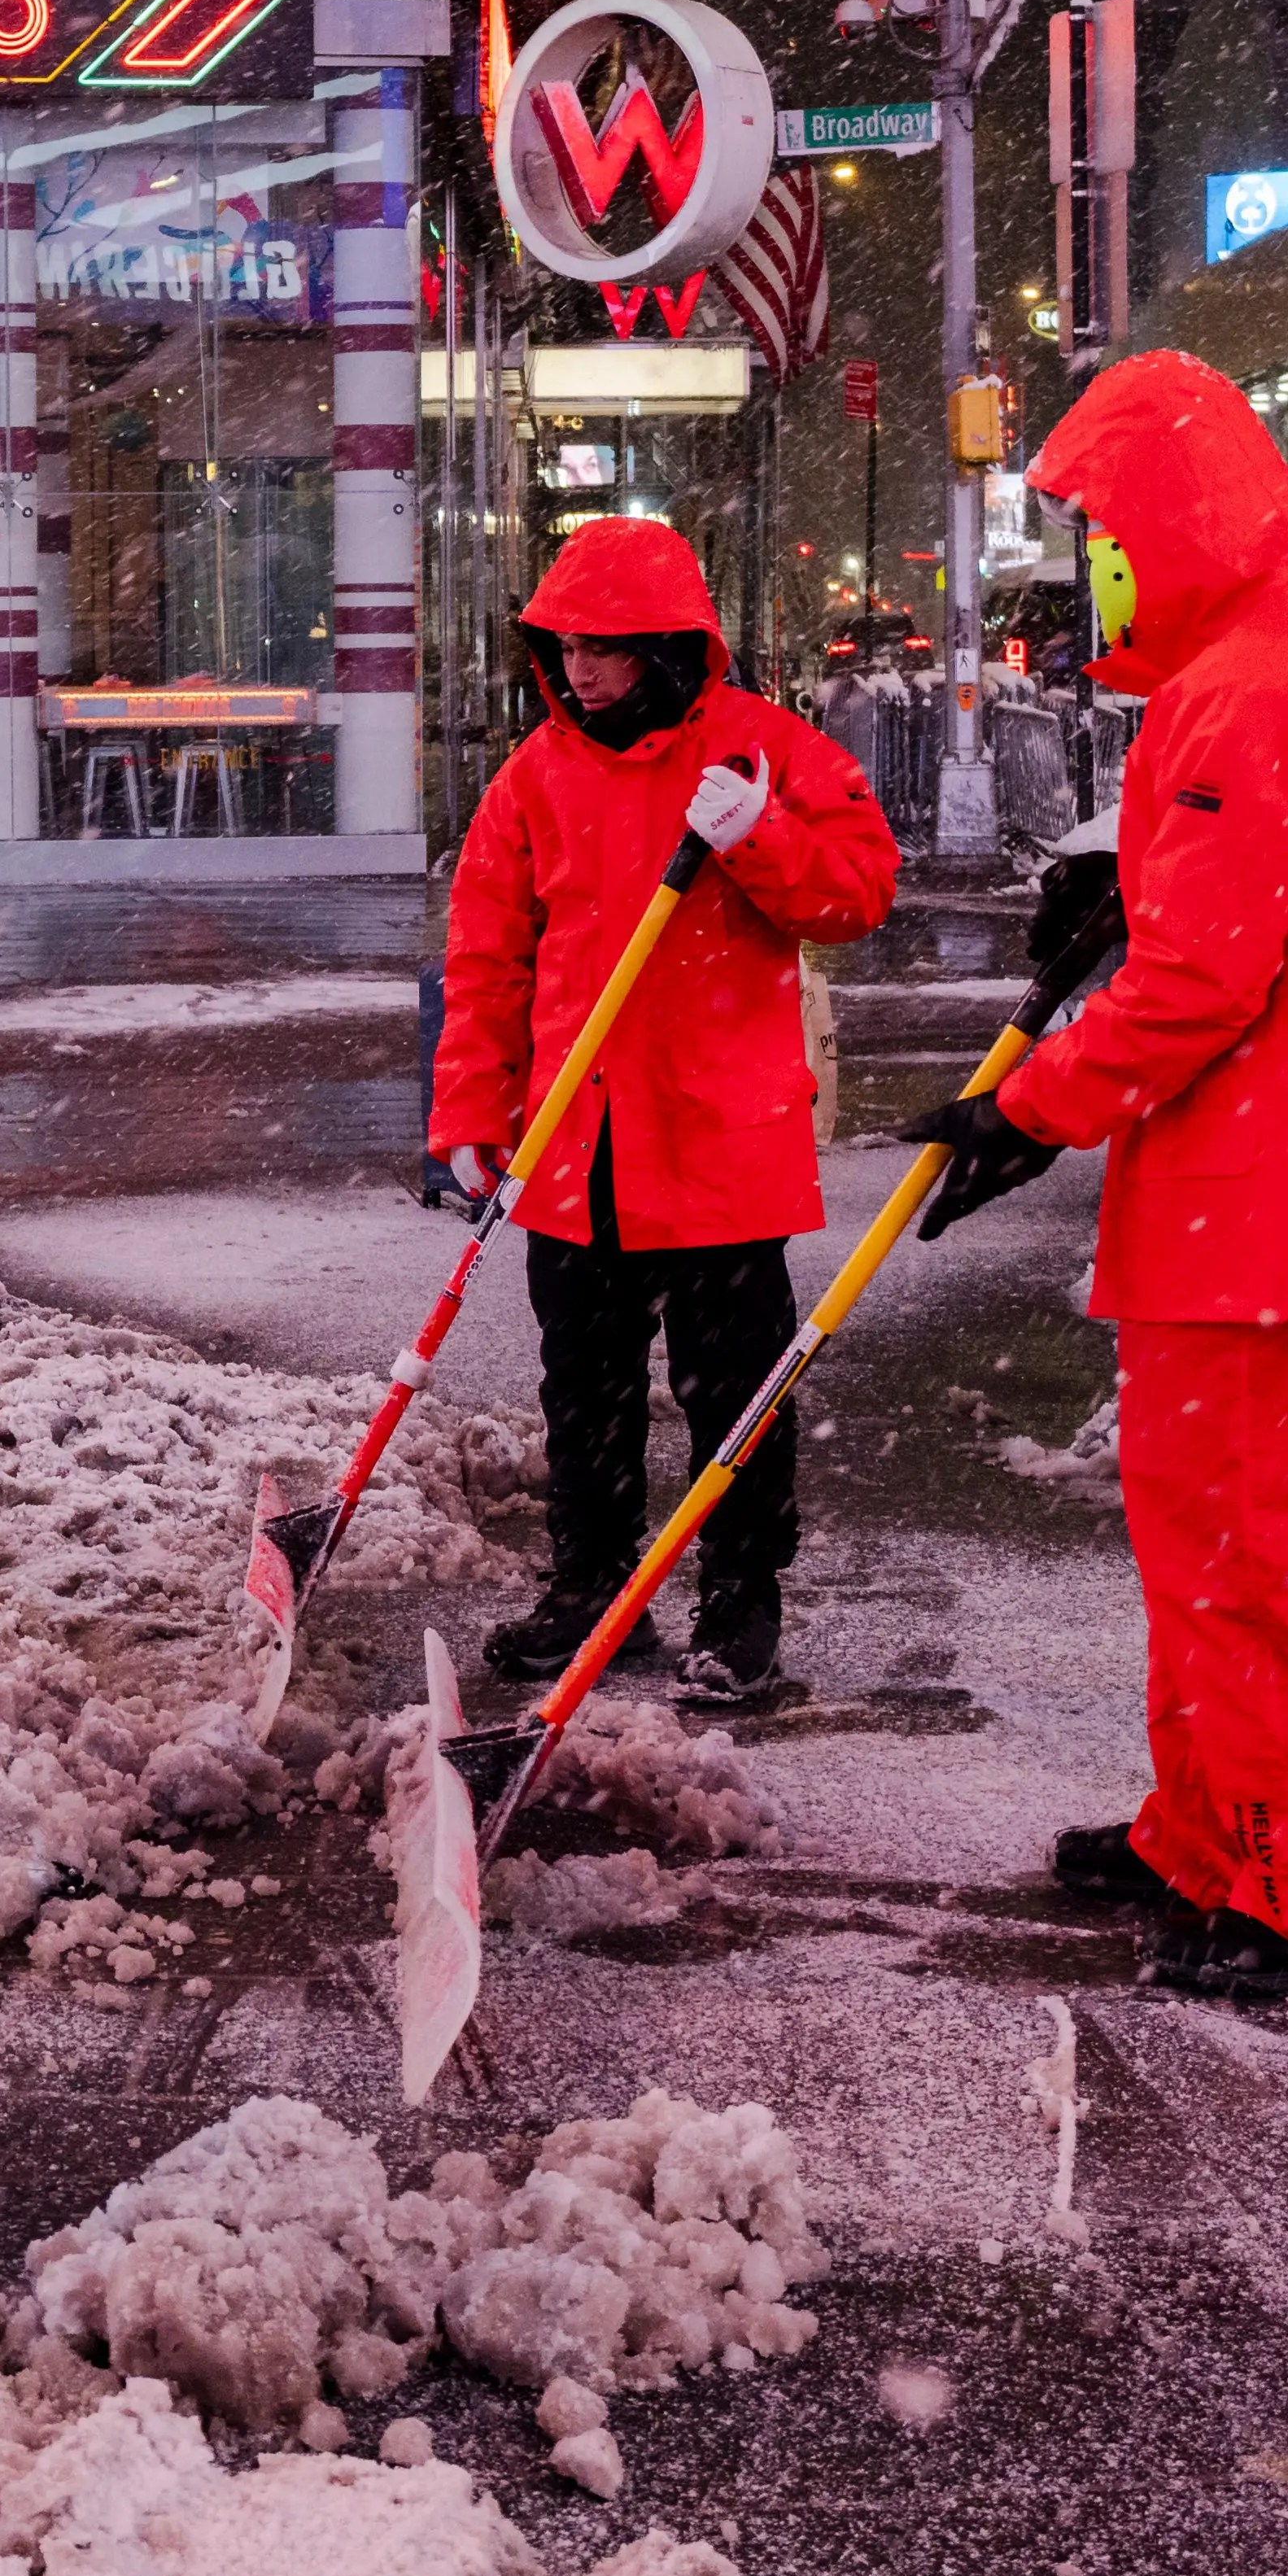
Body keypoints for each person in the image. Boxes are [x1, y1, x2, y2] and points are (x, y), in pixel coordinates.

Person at [893, 351, 1288, 2002]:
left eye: (1101, 528)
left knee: (1281, 1564)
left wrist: (1031, 1107)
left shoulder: (1258, 678)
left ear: (1173, 518)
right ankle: (1215, 1828)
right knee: (1210, 1544)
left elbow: (1202, 981)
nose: (1089, 564)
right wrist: (1126, 890)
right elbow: (1261, 901)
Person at [429, 516, 900, 1710]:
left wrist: (761, 838)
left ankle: (741, 1604)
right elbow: (487, 959)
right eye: (565, 645)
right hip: (572, 1145)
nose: (581, 670)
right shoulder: (533, 776)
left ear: (672, 649)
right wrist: (468, 1113)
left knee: (732, 1393)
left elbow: (855, 895)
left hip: (716, 1144)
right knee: (579, 1391)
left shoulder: (760, 754)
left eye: (608, 647)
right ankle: (592, 1590)